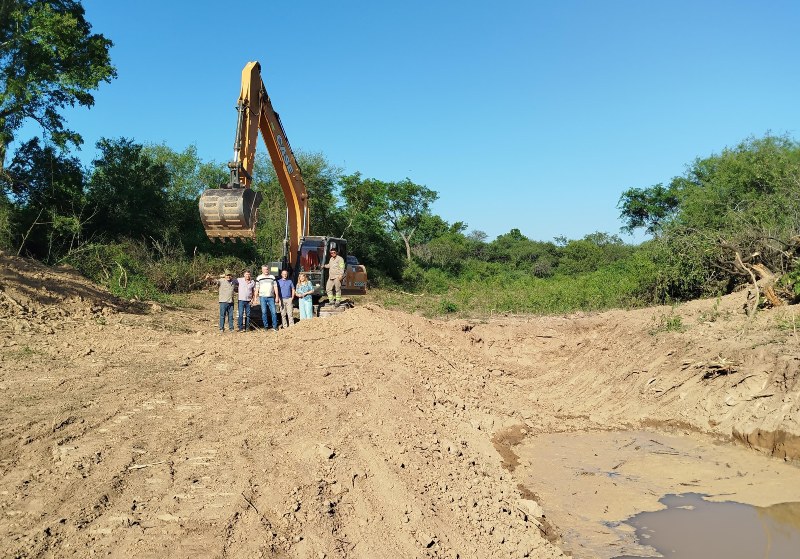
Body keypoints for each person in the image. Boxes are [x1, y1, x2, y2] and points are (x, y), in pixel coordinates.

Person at [255, 265, 279, 331]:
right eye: (264, 269)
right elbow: (257, 288)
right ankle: (266, 326)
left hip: (271, 297)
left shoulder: (272, 277)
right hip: (262, 297)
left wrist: (277, 296)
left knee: (273, 312)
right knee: (264, 312)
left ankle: (275, 326)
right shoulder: (259, 277)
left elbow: (275, 287)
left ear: (268, 270)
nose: (266, 270)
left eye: (267, 269)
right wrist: (255, 298)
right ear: (262, 270)